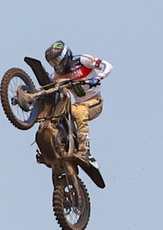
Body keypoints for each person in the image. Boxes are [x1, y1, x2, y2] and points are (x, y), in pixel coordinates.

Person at [33, 41, 112, 169]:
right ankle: (51, 147)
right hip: (77, 104)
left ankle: (85, 151)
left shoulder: (82, 60)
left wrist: (99, 77)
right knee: (55, 110)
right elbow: (52, 86)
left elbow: (107, 65)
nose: (56, 64)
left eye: (57, 60)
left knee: (80, 112)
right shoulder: (58, 74)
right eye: (52, 62)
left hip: (94, 102)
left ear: (66, 55)